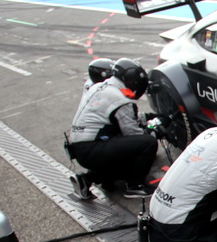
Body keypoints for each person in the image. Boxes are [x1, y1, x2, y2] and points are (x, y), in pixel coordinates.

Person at [67, 58, 159, 199]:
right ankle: (135, 186)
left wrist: (148, 116)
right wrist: (154, 130)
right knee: (148, 143)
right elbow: (132, 133)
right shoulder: (121, 98)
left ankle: (87, 180)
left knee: (123, 146)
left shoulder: (100, 86)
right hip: (92, 148)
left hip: (80, 146)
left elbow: (113, 117)